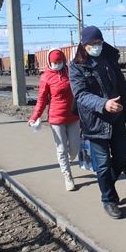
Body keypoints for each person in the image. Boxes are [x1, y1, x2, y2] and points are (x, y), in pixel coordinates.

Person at [69, 26, 126, 219]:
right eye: (93, 44)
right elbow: (81, 95)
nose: (97, 47)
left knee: (121, 158)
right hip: (95, 122)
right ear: (84, 45)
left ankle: (108, 186)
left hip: (116, 118)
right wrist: (104, 104)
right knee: (103, 165)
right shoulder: (76, 66)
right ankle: (108, 200)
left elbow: (121, 86)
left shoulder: (108, 58)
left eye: (99, 43)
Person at [28, 48, 81, 191]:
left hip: (73, 115)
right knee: (62, 148)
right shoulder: (45, 77)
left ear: (64, 61)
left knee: (75, 146)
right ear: (49, 62)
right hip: (56, 118)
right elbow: (41, 100)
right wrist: (35, 116)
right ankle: (67, 176)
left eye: (59, 62)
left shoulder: (70, 72)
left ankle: (66, 162)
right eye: (54, 62)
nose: (57, 64)